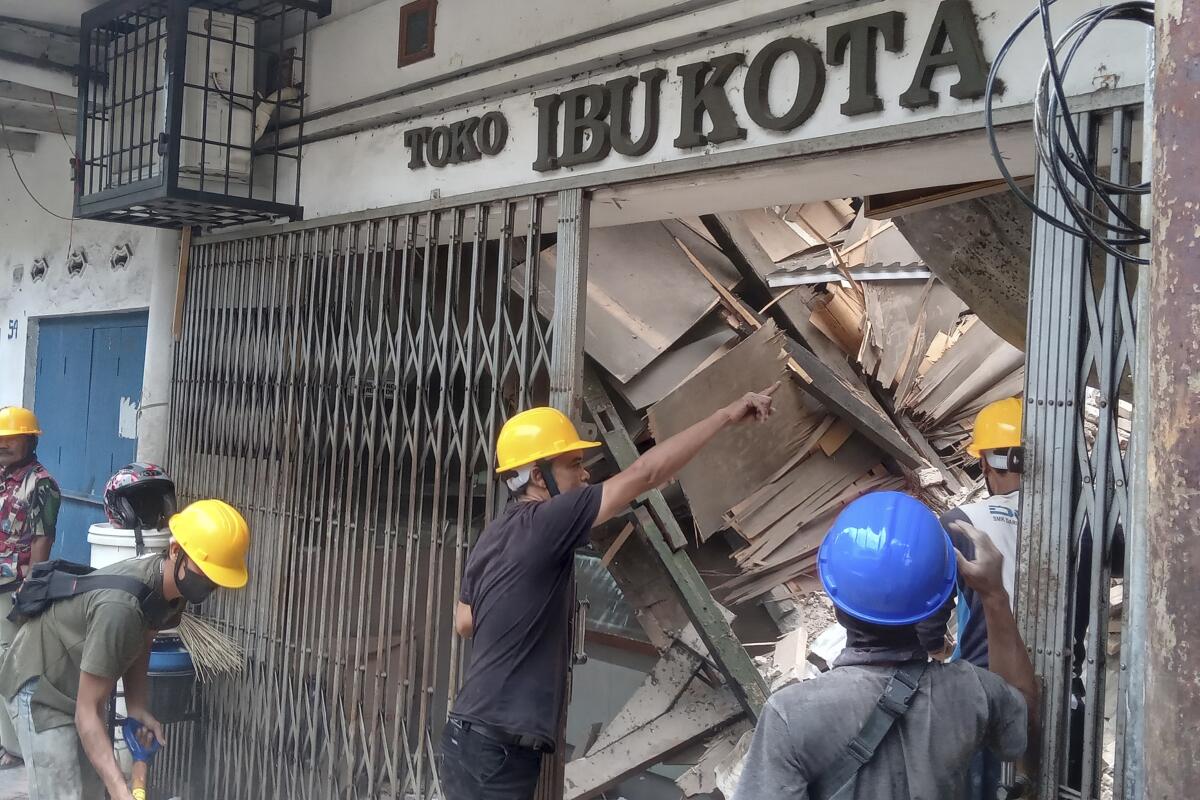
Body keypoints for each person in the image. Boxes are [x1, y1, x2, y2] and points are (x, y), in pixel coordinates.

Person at [439, 384, 780, 800]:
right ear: (536, 476)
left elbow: (464, 621)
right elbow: (645, 474)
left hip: (466, 735)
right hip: (499, 752)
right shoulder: (548, 522)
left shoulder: (496, 534)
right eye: (574, 463)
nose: (584, 474)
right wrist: (725, 414)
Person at [733, 491, 1038, 800]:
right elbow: (1022, 718)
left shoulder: (791, 716)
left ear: (836, 600)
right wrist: (993, 594)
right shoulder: (971, 693)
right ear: (938, 599)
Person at [0, 497, 250, 800]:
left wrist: (137, 708)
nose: (210, 584)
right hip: (39, 681)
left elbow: (141, 641)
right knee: (64, 792)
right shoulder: (121, 609)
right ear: (175, 551)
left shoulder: (171, 590)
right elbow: (86, 712)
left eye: (217, 578)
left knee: (90, 790)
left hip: (78, 680)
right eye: (206, 572)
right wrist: (120, 789)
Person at [0, 406, 61, 771]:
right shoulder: (2, 477)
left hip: (14, 591)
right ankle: (6, 743)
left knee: (12, 667)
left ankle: (18, 749)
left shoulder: (40, 484)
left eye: (12, 437)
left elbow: (42, 541)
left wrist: (31, 594)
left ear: (30, 439)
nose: (4, 444)